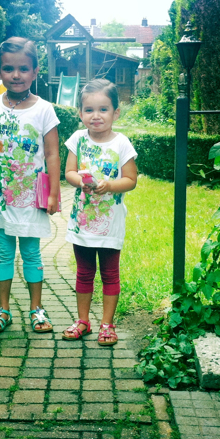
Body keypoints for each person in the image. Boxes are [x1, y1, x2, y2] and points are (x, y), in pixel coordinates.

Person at [0, 37, 60, 334]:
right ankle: (3, 309)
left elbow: (52, 153)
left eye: (23, 69)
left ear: (35, 71)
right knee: (3, 253)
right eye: (9, 68)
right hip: (0, 197)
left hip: (32, 198)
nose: (16, 75)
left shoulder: (44, 110)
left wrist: (54, 193)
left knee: (32, 253)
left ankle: (37, 309)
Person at [63, 79, 138, 346]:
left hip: (110, 224)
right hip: (82, 222)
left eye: (103, 109)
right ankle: (83, 321)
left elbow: (131, 179)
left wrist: (110, 185)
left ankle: (107, 324)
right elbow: (69, 172)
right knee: (84, 273)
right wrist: (80, 181)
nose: (96, 116)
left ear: (116, 113)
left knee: (109, 274)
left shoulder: (122, 143)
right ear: (80, 113)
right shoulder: (77, 139)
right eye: (89, 110)